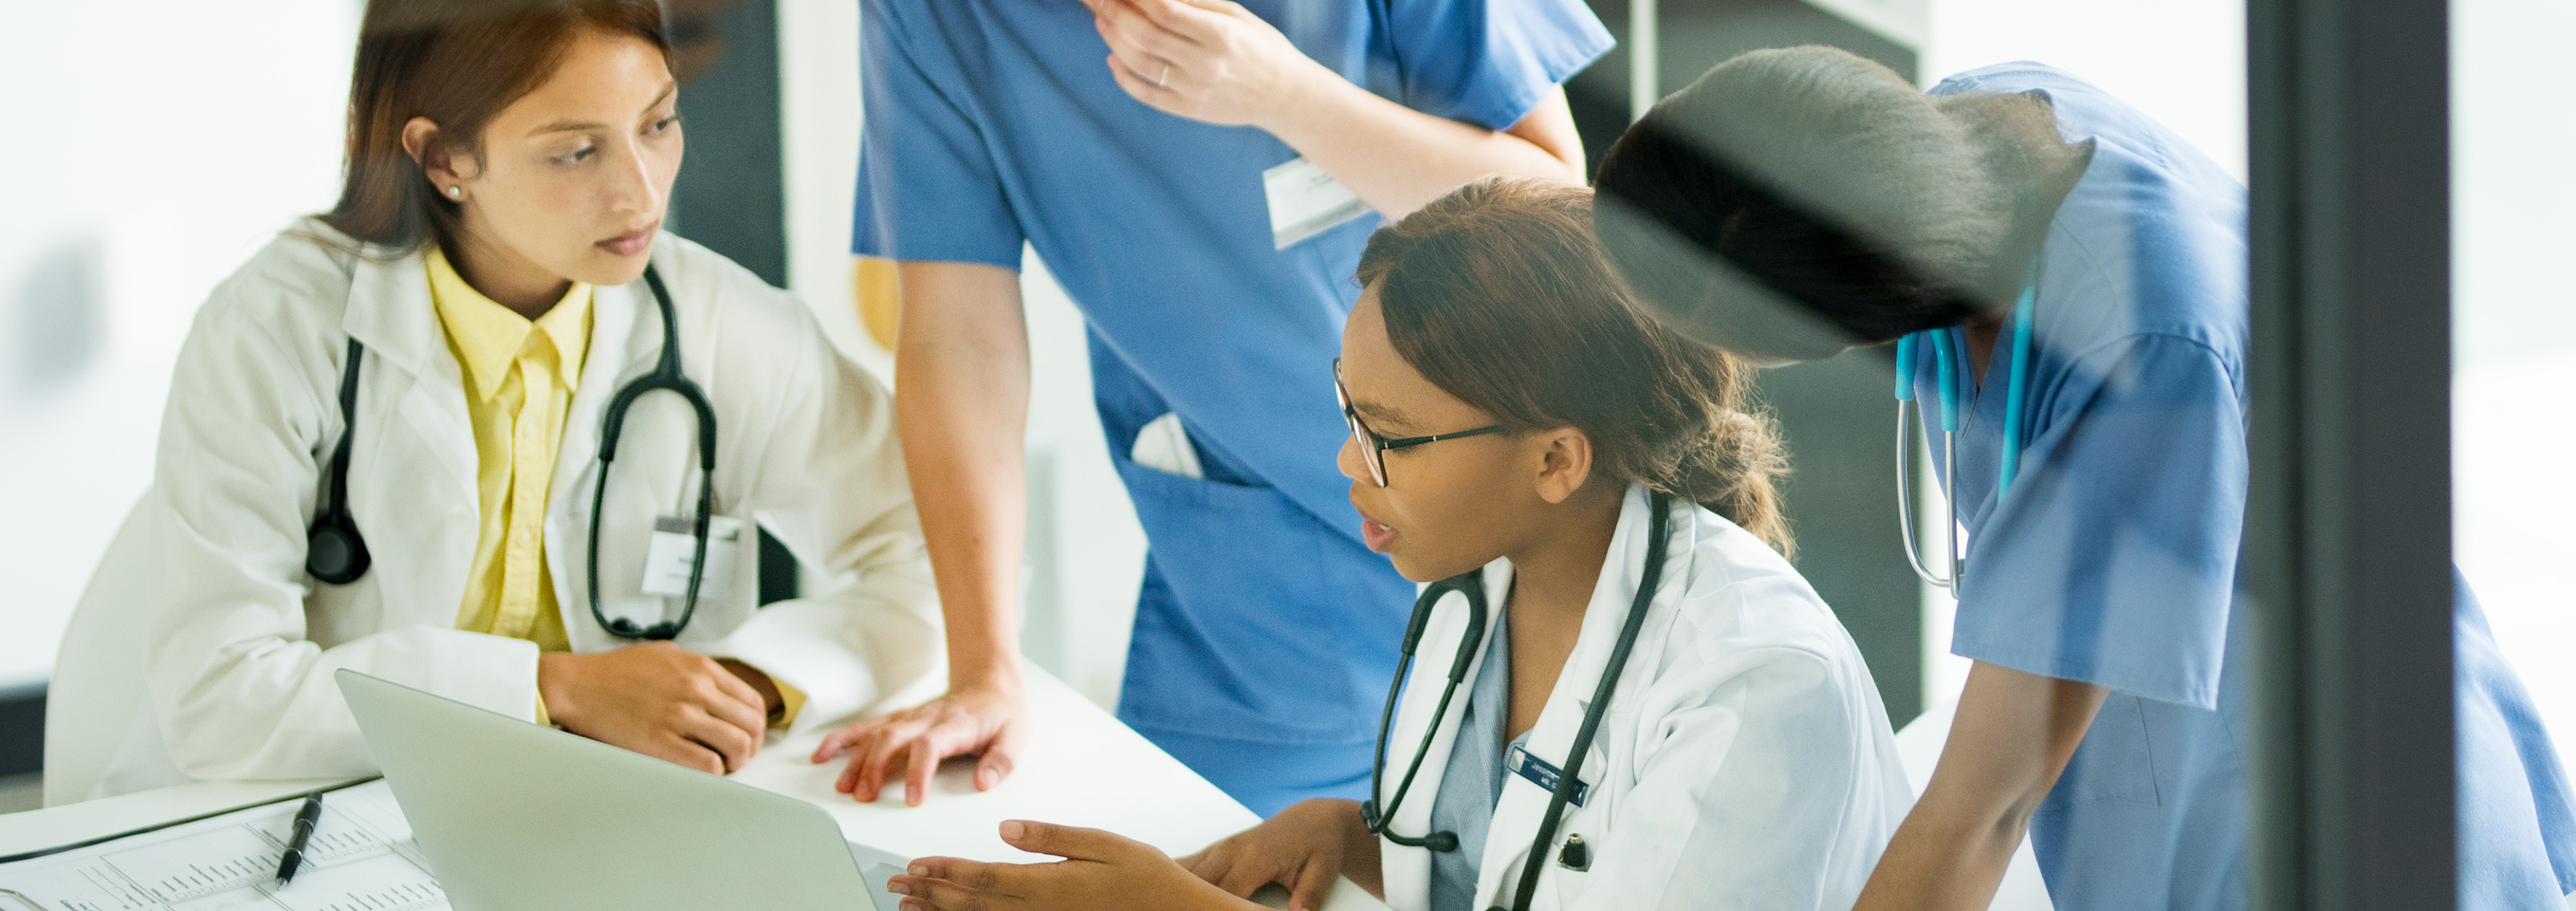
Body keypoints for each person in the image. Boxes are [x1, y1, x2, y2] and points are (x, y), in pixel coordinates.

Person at [1590, 48, 2576, 909]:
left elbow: (1984, 808)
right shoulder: (1982, 132)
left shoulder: (2141, 343)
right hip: (2194, 785)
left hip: (2335, 820)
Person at [881, 179, 1908, 911]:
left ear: (1557, 460)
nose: (1346, 460)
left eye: (1392, 438)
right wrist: (1350, 837)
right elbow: (1508, 855)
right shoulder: (1484, 585)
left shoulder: (1758, 694)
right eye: (1348, 409)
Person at [73, 0, 942, 797]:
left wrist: (746, 683)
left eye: (659, 123)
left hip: (592, 817)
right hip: (301, 820)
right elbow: (220, 700)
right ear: (446, 158)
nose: (641, 191)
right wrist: (552, 689)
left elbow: (937, 552)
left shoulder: (721, 324)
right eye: (576, 151)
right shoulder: (275, 330)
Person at [823, 0, 1615, 813]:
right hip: (1257, 591)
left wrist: (1286, 97)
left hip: (1522, 507)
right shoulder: (939, 16)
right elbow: (954, 335)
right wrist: (985, 665)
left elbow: (1556, 206)